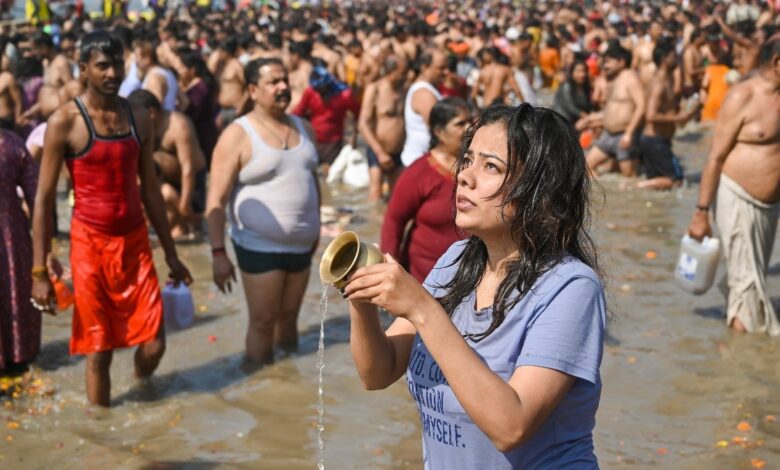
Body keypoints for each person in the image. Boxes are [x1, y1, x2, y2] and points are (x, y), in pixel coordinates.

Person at [344, 104, 605, 469]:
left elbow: (511, 426)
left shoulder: (571, 288)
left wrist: (422, 309)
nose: (466, 176)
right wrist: (361, 298)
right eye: (467, 160)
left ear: (540, 192)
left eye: (491, 167)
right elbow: (379, 371)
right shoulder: (456, 259)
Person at [31, 31, 192, 407]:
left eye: (118, 63)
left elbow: (150, 188)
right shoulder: (64, 122)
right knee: (98, 348)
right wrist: (39, 271)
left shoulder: (137, 117)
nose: (112, 72)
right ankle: (103, 439)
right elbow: (42, 201)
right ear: (84, 68)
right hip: (89, 246)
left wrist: (171, 254)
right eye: (103, 65)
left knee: (154, 343)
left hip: (136, 244)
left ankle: (140, 393)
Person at [207, 58, 320, 364]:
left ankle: (285, 388)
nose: (283, 87)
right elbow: (215, 199)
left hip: (301, 246)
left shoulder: (304, 128)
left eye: (284, 80)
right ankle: (258, 387)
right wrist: (218, 254)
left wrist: (316, 230)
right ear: (253, 90)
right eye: (273, 82)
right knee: (262, 323)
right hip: (258, 245)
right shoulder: (238, 134)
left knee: (289, 324)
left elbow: (312, 183)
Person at [687, 39, 780, 335]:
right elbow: (714, 157)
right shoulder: (743, 95)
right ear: (778, 63)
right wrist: (701, 212)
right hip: (736, 196)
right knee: (747, 286)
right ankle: (743, 365)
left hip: (768, 207)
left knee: (752, 279)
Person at [380, 98, 470, 282]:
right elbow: (394, 220)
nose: (470, 128)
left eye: (471, 121)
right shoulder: (419, 173)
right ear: (439, 132)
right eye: (460, 124)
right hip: (425, 280)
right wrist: (388, 271)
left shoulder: (477, 169)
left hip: (469, 277)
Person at [127, 90, 207, 238]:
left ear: (151, 113)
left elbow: (188, 169)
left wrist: (185, 204)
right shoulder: (141, 126)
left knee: (191, 226)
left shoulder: (179, 126)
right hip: (164, 178)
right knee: (164, 224)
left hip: (190, 179)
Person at [0, 130, 43, 375]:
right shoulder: (12, 144)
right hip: (11, 242)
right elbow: (37, 201)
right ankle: (18, 360)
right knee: (14, 296)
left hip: (11, 240)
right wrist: (44, 255)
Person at [637, 39, 698, 190]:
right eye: (673, 56)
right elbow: (651, 116)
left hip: (657, 140)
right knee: (676, 182)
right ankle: (634, 187)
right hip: (654, 141)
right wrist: (678, 118)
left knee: (659, 183)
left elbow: (667, 110)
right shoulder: (659, 83)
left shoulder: (668, 79)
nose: (677, 59)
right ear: (664, 59)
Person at [586, 44, 646, 177]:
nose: (605, 65)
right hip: (607, 134)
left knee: (628, 178)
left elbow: (641, 106)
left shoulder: (631, 78)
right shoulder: (613, 80)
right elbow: (613, 108)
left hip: (624, 135)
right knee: (586, 167)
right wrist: (596, 120)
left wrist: (629, 133)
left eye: (609, 61)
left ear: (622, 62)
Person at [292, 63, 360, 172]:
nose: (320, 93)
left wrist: (353, 138)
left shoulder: (344, 95)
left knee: (330, 173)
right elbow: (298, 112)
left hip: (333, 141)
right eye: (318, 91)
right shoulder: (310, 92)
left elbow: (358, 115)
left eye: (322, 90)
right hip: (312, 139)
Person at [358, 54, 407, 201]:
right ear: (391, 71)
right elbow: (362, 124)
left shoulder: (403, 90)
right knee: (375, 194)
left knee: (397, 196)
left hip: (398, 151)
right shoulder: (375, 89)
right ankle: (373, 223)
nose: (405, 76)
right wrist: (379, 152)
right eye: (402, 72)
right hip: (378, 150)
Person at [400, 49, 447, 167]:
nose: (446, 72)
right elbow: (437, 130)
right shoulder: (424, 93)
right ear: (425, 67)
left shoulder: (428, 89)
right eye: (441, 68)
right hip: (420, 161)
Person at [176, 50, 218, 164]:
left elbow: (193, 111)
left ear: (192, 70)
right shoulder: (194, 84)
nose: (179, 71)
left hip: (201, 134)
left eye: (182, 68)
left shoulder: (200, 88)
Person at [208, 38, 246, 128]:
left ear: (226, 52)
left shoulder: (237, 66)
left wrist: (241, 106)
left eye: (221, 51)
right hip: (223, 109)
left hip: (235, 109)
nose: (218, 54)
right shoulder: (222, 66)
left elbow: (248, 87)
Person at [135, 37, 179, 112]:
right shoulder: (166, 71)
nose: (135, 60)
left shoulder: (154, 77)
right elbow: (184, 102)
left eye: (137, 56)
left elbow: (155, 107)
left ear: (147, 59)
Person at [553, 59, 592, 126]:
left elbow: (587, 105)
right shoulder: (567, 86)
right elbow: (570, 107)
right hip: (562, 123)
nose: (582, 74)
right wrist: (586, 116)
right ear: (572, 73)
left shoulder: (585, 86)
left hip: (577, 120)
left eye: (584, 71)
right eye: (578, 71)